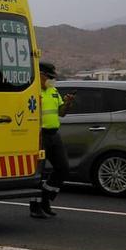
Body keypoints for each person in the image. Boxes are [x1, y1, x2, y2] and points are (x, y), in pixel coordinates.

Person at [31, 61, 73, 219]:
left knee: (63, 168)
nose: (52, 80)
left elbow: (61, 113)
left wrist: (68, 103)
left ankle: (45, 198)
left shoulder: (53, 91)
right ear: (40, 75)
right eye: (50, 77)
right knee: (38, 173)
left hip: (54, 135)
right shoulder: (33, 91)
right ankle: (35, 206)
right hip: (39, 136)